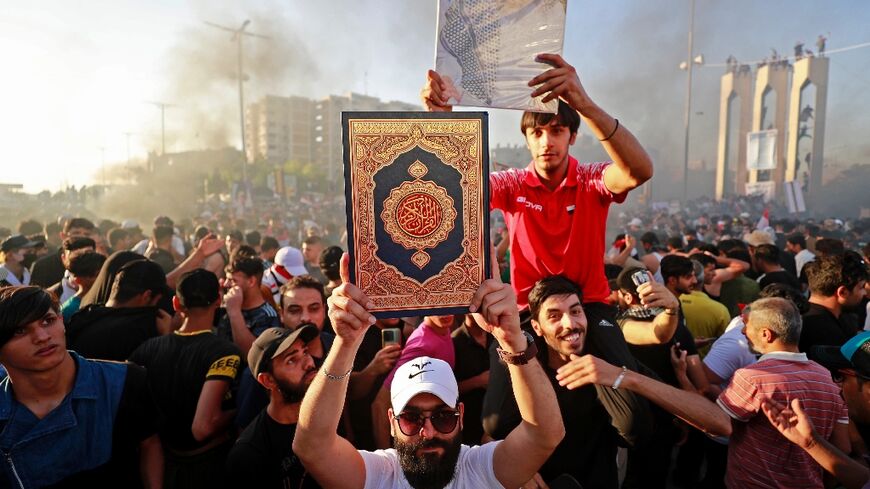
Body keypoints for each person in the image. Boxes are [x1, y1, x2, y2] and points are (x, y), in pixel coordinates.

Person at [292, 254, 565, 489]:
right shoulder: (380, 475)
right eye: (411, 418)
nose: (429, 432)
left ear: (460, 417)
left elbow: (546, 434)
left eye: (443, 417)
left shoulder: (479, 469)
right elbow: (312, 446)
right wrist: (345, 343)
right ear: (391, 421)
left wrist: (513, 340)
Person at [421, 52, 653, 326]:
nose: (546, 142)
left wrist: (584, 104)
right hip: (525, 311)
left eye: (557, 131)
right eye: (537, 132)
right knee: (507, 367)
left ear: (573, 136)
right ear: (527, 140)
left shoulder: (592, 179)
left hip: (590, 308)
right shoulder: (512, 183)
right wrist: (441, 123)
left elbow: (639, 171)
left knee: (614, 368)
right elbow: (455, 194)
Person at [565, 297, 850, 489]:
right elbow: (844, 449)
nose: (743, 334)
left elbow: (715, 427)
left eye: (747, 329)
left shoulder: (753, 378)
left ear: (766, 335)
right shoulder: (827, 378)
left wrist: (648, 379)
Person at [485, 276, 651, 488]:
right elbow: (490, 434)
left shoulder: (607, 368)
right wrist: (519, 471)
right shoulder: (525, 378)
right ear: (536, 327)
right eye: (554, 316)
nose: (570, 324)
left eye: (575, 311)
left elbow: (637, 428)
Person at [0, 286, 162, 488]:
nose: (42, 337)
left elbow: (149, 444)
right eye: (20, 330)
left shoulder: (124, 382)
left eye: (48, 321)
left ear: (61, 320)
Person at [129, 269, 241, 489]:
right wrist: (239, 410)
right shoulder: (225, 352)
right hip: (210, 467)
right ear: (218, 301)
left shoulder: (147, 349)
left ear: (176, 304)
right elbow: (203, 428)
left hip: (161, 465)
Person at [226, 325, 321, 488]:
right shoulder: (250, 453)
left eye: (305, 351)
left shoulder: (325, 416)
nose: (308, 363)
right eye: (292, 360)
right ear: (268, 380)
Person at [67, 259, 173, 361]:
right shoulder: (137, 330)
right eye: (157, 301)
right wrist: (165, 337)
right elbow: (159, 373)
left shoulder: (82, 316)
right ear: (147, 296)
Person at [800, 253, 868, 352]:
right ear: (842, 292)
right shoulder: (819, 330)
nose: (865, 293)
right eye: (861, 287)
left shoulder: (843, 318)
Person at [217, 252, 281, 356]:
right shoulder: (227, 307)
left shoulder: (268, 315)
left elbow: (253, 355)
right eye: (226, 279)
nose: (226, 284)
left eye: (233, 280)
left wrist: (235, 313)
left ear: (251, 281)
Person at [31, 217, 95, 288]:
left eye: (87, 234)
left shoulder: (98, 264)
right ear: (63, 236)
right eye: (76, 233)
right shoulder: (43, 266)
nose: (82, 237)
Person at [61, 251, 107, 324]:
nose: (103, 278)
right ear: (78, 280)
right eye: (98, 275)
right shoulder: (68, 310)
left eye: (104, 273)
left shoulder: (110, 298)